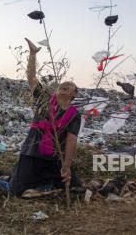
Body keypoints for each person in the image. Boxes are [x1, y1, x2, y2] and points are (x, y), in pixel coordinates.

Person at [9, 38, 82, 197]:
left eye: (70, 85)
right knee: (16, 190)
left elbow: (71, 139)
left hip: (56, 158)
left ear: (74, 94)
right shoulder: (44, 99)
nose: (65, 84)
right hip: (32, 152)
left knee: (75, 189)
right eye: (63, 83)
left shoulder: (74, 114)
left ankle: (46, 186)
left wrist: (67, 166)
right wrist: (33, 54)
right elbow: (31, 78)